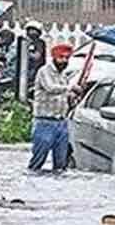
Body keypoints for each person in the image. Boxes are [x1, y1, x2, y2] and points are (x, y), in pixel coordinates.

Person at [29, 44, 80, 172]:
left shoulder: (63, 75)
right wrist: (70, 88)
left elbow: (65, 97)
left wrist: (72, 97)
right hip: (44, 121)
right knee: (37, 162)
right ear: (54, 57)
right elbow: (50, 88)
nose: (64, 61)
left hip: (61, 122)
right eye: (61, 57)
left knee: (61, 165)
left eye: (67, 58)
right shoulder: (44, 71)